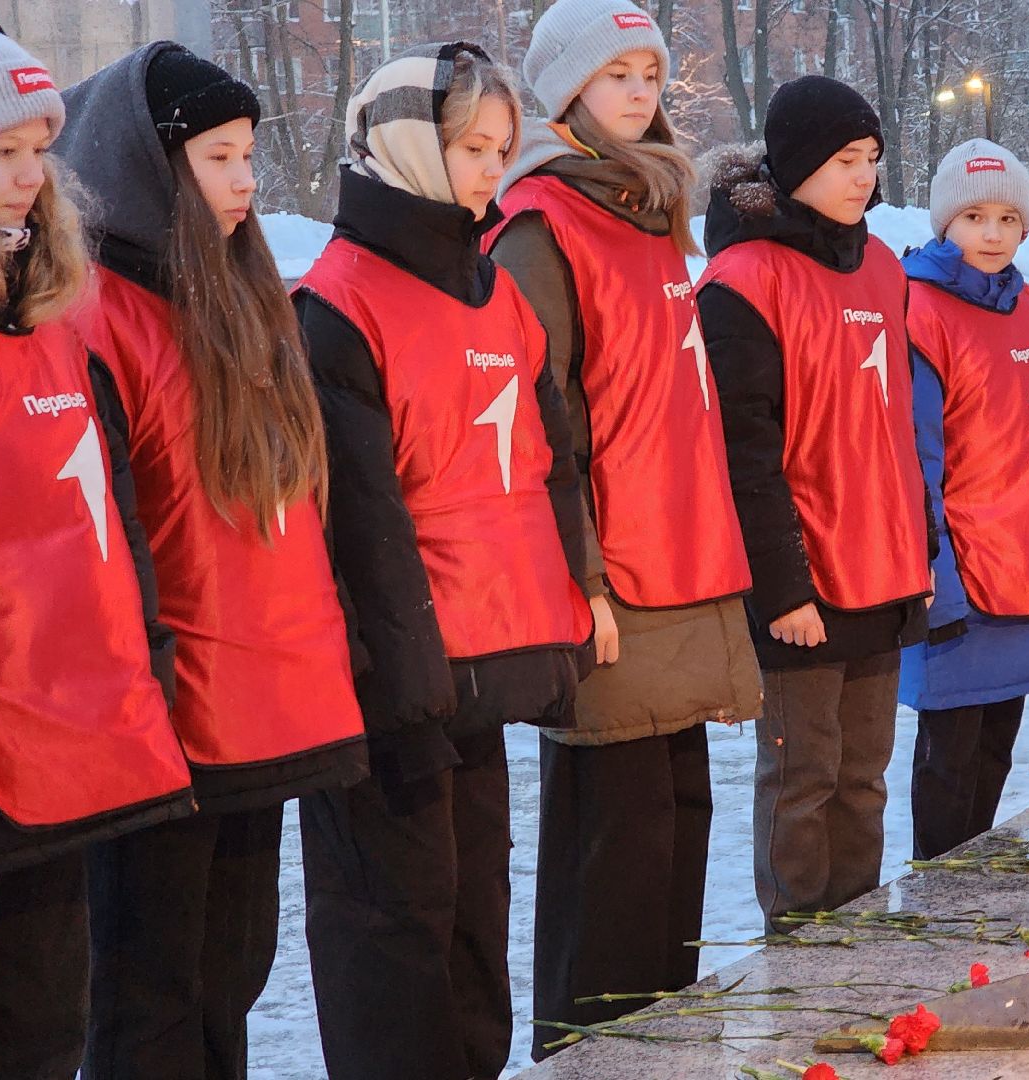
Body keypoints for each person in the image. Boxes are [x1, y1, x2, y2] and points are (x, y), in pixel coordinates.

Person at [57, 43, 369, 1080]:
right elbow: (109, 536)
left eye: (249, 156)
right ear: (151, 166)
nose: (245, 182)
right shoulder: (98, 316)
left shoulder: (241, 294)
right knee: (147, 992)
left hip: (262, 698)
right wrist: (145, 692)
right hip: (168, 709)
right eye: (218, 158)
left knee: (229, 973)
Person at [0, 15, 192, 1080]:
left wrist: (145, 666)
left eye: (39, 149)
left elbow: (113, 516)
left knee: (47, 1024)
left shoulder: (63, 309)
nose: (27, 176)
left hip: (71, 733)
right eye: (0, 150)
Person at [293, 42, 592, 1080]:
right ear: (409, 146)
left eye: (503, 149)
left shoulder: (494, 288)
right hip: (394, 683)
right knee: (393, 923)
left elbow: (549, 465)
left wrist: (569, 603)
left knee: (474, 912)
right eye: (472, 148)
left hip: (485, 661)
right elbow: (360, 520)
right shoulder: (338, 302)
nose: (491, 170)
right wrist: (401, 673)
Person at [485, 0, 761, 1056]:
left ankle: (665, 1054)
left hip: (686, 561)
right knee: (612, 844)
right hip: (615, 578)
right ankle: (592, 1058)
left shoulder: (652, 211)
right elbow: (541, 422)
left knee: (676, 830)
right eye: (617, 74)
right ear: (567, 90)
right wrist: (583, 580)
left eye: (650, 72)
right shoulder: (541, 225)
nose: (641, 92)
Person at [698, 76, 932, 936]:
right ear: (797, 166)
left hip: (884, 572)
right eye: (844, 160)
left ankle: (855, 944)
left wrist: (919, 550)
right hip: (805, 585)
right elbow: (745, 460)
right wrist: (782, 590)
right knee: (804, 779)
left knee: (864, 779)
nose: (864, 177)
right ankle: (798, 953)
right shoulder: (742, 282)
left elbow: (896, 429)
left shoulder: (883, 267)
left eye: (871, 158)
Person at [901, 139, 1029, 862]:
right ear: (944, 223)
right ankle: (936, 887)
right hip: (962, 572)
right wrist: (937, 573)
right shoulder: (919, 311)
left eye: (1008, 219)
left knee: (996, 745)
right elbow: (917, 457)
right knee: (950, 750)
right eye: (973, 217)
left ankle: (973, 877)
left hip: (1023, 570)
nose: (992, 234)